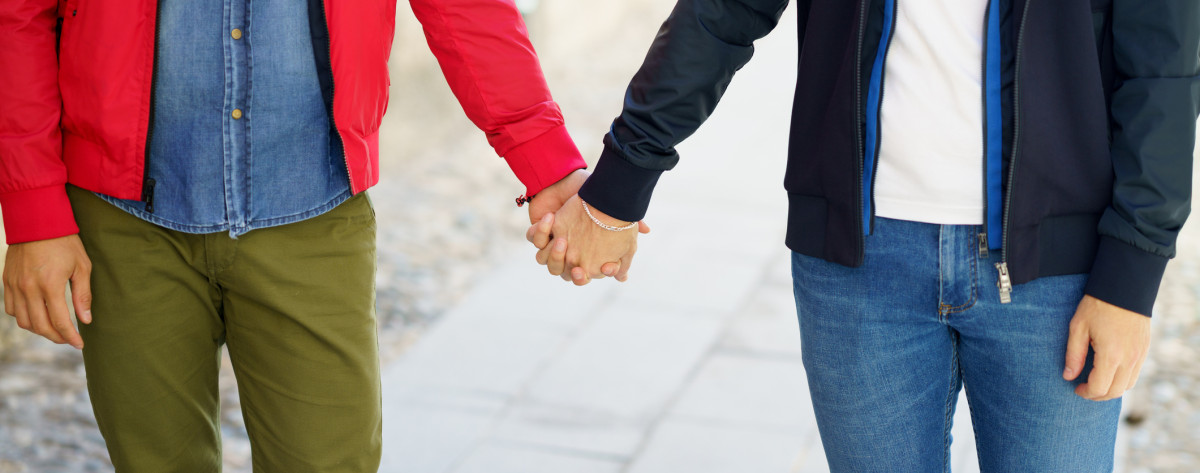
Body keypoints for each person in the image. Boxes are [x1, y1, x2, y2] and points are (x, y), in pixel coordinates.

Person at [529, 0, 1200, 471]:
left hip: (1055, 273)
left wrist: (1131, 274)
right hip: (859, 263)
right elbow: (725, 9)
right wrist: (619, 186)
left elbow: (1163, 63)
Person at [0, 0, 597, 470]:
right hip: (123, 218)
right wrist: (34, 216)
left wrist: (546, 162)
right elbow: (19, 13)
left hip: (312, 209)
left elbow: (464, 7)